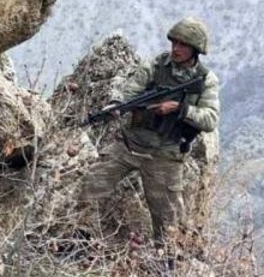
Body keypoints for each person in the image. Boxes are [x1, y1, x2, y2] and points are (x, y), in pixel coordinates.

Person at [80, 17, 221, 251]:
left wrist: (180, 109)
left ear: (195, 50)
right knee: (91, 185)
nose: (176, 49)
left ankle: (166, 262)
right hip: (131, 144)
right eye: (174, 43)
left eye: (183, 45)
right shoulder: (155, 66)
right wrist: (116, 106)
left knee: (167, 221)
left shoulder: (206, 80)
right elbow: (129, 92)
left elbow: (210, 119)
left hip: (165, 154)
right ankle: (79, 241)